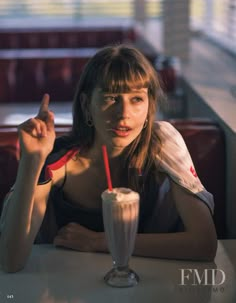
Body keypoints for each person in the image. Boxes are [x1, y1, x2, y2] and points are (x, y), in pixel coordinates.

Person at [0, 44, 217, 273]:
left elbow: (204, 244)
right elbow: (10, 260)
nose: (124, 114)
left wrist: (98, 241)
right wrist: (30, 162)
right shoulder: (57, 160)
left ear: (149, 105)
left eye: (136, 99)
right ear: (86, 105)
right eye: (111, 98)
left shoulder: (162, 143)